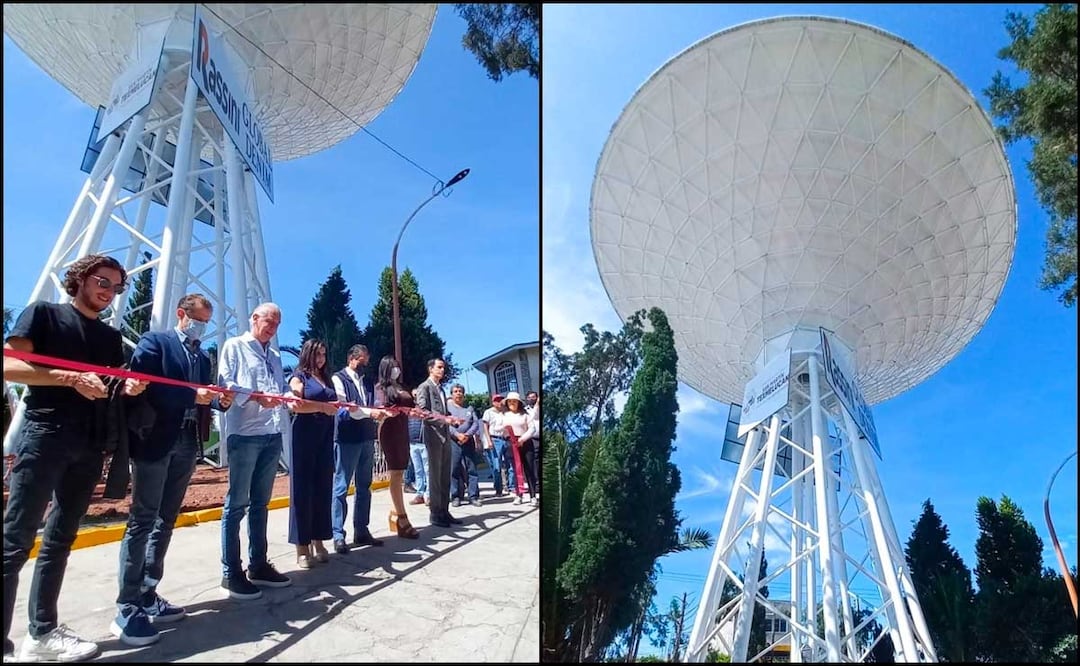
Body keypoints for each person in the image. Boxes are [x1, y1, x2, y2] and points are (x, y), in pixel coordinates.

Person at [3, 254, 147, 662]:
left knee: (60, 539)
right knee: (15, 542)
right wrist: (67, 378)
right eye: (102, 281)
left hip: (89, 442)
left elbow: (109, 387)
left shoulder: (110, 338)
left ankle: (42, 633)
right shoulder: (44, 315)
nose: (108, 291)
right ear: (81, 278)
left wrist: (129, 387)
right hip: (45, 434)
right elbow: (10, 365)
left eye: (117, 287)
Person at [112, 293, 233, 647]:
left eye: (207, 322)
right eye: (198, 319)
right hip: (155, 439)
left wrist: (219, 401)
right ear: (182, 314)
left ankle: (149, 591)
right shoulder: (156, 343)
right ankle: (127, 603)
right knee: (143, 519)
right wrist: (190, 396)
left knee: (166, 519)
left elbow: (202, 397)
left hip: (186, 442)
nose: (202, 327)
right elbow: (141, 387)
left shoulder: (202, 356)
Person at [216, 302, 293, 599]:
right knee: (237, 505)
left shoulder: (273, 355)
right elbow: (227, 384)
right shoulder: (234, 346)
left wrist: (289, 397)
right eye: (268, 321)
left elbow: (279, 385)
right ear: (254, 319)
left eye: (277, 323)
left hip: (272, 433)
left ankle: (258, 564)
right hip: (245, 434)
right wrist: (256, 398)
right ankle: (230, 572)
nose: (272, 327)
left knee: (261, 504)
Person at [286, 339, 341, 569]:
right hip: (304, 434)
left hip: (325, 434)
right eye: (317, 354)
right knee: (302, 490)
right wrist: (321, 407)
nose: (321, 359)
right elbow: (296, 405)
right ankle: (302, 546)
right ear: (308, 354)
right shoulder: (298, 376)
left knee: (322, 488)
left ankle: (318, 541)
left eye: (324, 355)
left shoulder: (325, 378)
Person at [329, 345, 387, 554]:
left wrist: (379, 412)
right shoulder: (339, 379)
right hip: (347, 438)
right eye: (363, 360)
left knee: (365, 486)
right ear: (352, 358)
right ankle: (338, 535)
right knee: (341, 487)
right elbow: (344, 408)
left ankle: (361, 529)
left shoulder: (368, 382)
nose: (366, 364)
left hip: (367, 437)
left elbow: (374, 403)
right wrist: (369, 413)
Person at [372, 356, 421, 538]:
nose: (397, 370)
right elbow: (378, 409)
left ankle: (395, 513)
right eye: (393, 367)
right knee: (396, 472)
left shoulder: (401, 386)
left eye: (398, 367)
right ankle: (402, 517)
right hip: (389, 430)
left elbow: (410, 406)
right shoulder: (381, 388)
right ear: (386, 369)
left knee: (400, 471)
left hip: (403, 429)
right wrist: (387, 412)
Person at [415, 358, 459, 528]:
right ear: (430, 369)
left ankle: (444, 511)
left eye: (443, 367)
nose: (442, 370)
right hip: (433, 435)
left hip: (445, 435)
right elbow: (423, 412)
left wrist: (452, 420)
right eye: (439, 367)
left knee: (444, 474)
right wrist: (444, 420)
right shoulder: (424, 387)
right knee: (435, 475)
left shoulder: (441, 389)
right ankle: (435, 513)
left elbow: (443, 411)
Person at [446, 384, 482, 507]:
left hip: (468, 441)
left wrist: (467, 435)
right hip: (453, 441)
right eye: (455, 391)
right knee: (454, 469)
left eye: (460, 391)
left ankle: (474, 496)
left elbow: (476, 424)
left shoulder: (469, 408)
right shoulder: (448, 410)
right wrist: (457, 434)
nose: (458, 393)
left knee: (472, 469)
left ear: (463, 394)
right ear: (451, 394)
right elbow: (447, 425)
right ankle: (456, 496)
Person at [502, 392, 538, 506]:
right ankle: (519, 495)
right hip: (511, 444)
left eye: (514, 401)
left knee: (529, 469)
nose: (512, 403)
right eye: (510, 401)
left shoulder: (525, 414)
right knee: (516, 470)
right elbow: (498, 428)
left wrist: (522, 439)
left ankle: (533, 496)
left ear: (518, 402)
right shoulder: (504, 415)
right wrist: (503, 429)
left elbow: (532, 429)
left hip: (525, 443)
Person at [481, 394, 509, 498]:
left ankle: (509, 486)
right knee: (496, 466)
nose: (499, 402)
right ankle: (498, 488)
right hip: (494, 439)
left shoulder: (505, 412)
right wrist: (489, 441)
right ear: (493, 402)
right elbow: (485, 427)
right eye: (496, 400)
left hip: (505, 439)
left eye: (501, 400)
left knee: (508, 464)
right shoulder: (488, 412)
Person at [407, 401, 429, 506]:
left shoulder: (425, 412)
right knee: (418, 470)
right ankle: (420, 494)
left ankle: (429, 495)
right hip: (413, 444)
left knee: (427, 470)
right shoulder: (409, 413)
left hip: (424, 444)